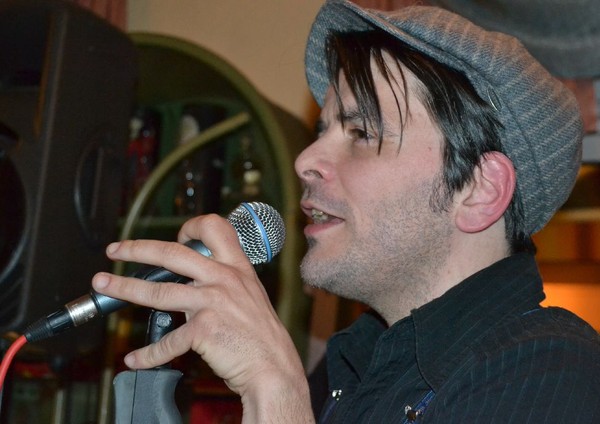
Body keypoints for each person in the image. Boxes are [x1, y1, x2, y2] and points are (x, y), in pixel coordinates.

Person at [92, 0, 600, 422]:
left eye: (361, 132)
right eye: (323, 131)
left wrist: (276, 392)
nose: (305, 161)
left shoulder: (554, 373)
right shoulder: (349, 368)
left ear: (479, 190)